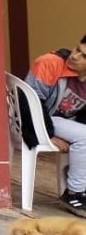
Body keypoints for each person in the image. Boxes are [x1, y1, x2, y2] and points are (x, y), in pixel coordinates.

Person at [24, 35, 86, 217]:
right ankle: (74, 193)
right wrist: (47, 135)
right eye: (77, 49)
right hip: (41, 119)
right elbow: (30, 102)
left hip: (67, 123)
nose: (74, 56)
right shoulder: (50, 63)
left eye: (84, 56)